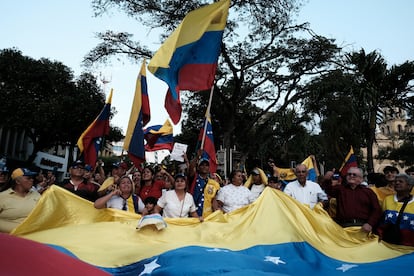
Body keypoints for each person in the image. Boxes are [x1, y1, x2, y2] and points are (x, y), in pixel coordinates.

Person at [325, 167, 382, 232]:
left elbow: (376, 210)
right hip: (343, 227)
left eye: (354, 175)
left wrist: (370, 224)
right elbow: (328, 190)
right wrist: (327, 179)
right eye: (349, 174)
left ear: (361, 178)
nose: (351, 176)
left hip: (363, 227)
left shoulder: (368, 192)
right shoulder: (340, 190)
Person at [377, 174, 414, 246]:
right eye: (395, 181)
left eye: (400, 181)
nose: (397, 183)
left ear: (409, 186)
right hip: (388, 243)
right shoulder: (387, 200)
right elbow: (382, 220)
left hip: (410, 246)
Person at [0, 168, 40, 233]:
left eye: (32, 178)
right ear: (17, 181)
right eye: (28, 178)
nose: (32, 180)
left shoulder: (36, 194)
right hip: (8, 239)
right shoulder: (2, 197)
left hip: (33, 236)